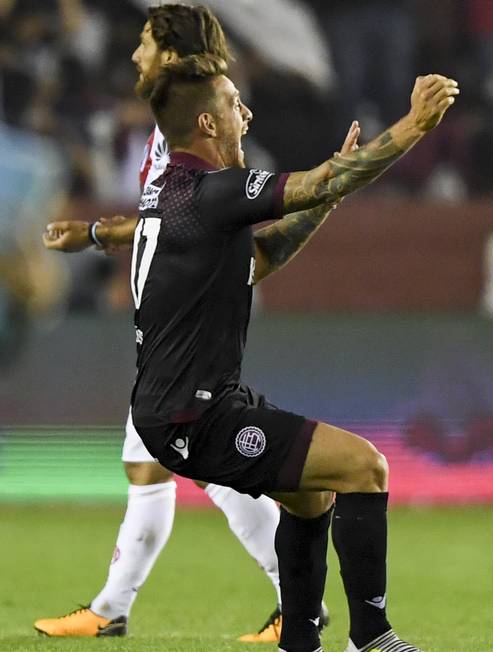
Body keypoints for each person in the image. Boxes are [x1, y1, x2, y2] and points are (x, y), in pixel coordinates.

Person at [125, 48, 457, 652]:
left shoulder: (173, 193)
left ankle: (299, 639)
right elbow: (320, 180)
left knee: (310, 494)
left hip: (186, 404)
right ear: (206, 123)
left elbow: (259, 259)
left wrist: (326, 194)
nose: (245, 115)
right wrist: (414, 126)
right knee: (364, 467)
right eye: (233, 104)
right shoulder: (211, 192)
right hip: (192, 415)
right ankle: (372, 638)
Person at [34, 4, 326, 642]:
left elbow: (202, 222)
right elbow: (165, 223)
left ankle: (293, 597)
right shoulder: (177, 117)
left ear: (169, 50)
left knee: (194, 458)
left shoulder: (196, 121)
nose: (135, 54)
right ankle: (117, 606)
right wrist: (94, 234)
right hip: (181, 315)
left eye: (144, 42)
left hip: (192, 317)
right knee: (156, 466)